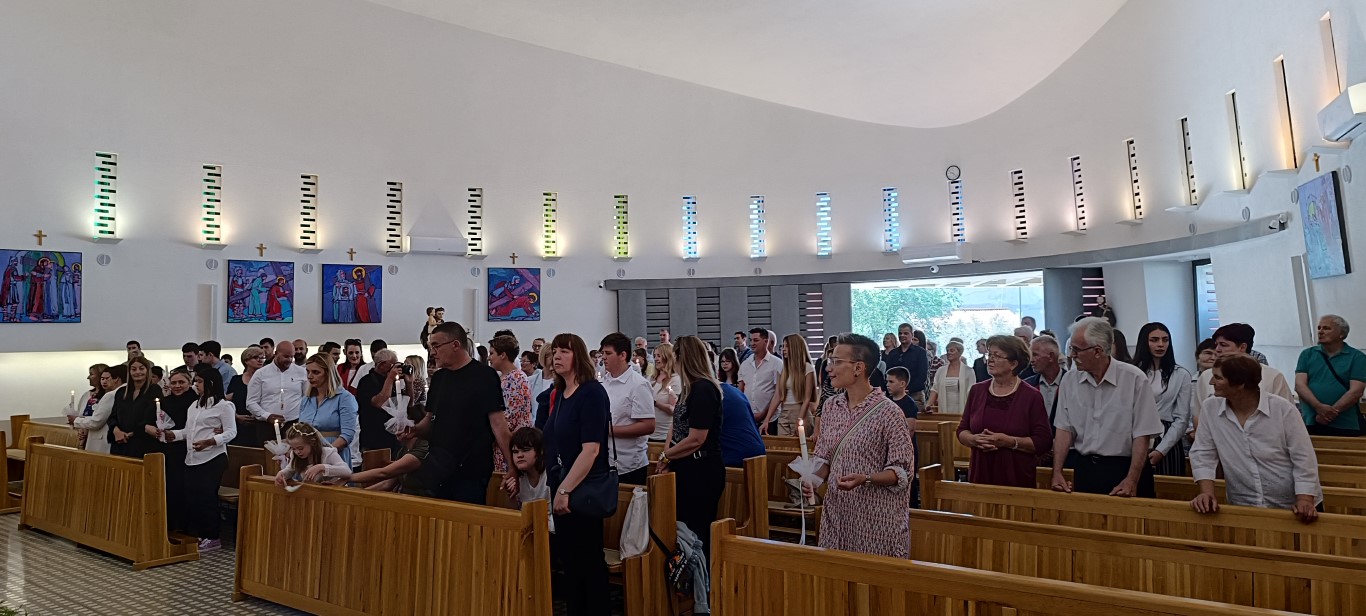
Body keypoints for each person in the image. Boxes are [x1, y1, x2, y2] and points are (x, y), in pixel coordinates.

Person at [800, 333, 913, 558]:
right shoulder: (831, 406)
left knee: (870, 576)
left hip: (874, 518)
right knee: (836, 574)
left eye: (836, 362)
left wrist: (866, 478)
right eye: (830, 361)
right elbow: (825, 458)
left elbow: (902, 472)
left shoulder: (888, 412)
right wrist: (813, 479)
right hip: (838, 514)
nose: (829, 368)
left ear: (858, 368)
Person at [1190, 355, 1321, 522]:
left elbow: (1303, 457)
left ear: (1240, 384)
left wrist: (1305, 499)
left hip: (1292, 506)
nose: (1211, 382)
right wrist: (1206, 493)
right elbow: (1203, 453)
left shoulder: (1282, 409)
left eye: (1218, 377)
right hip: (1243, 503)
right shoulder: (1210, 408)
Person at [1051, 317, 1163, 497]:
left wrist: (1132, 480)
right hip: (1086, 468)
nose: (1071, 355)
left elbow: (1142, 435)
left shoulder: (1134, 379)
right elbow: (1064, 430)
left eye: (1077, 350)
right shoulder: (1069, 380)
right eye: (1071, 348)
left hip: (1126, 467)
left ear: (1098, 351)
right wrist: (1057, 472)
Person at [542, 333, 611, 616]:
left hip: (582, 489)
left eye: (565, 351)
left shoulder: (591, 393)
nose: (557, 356)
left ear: (578, 356)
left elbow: (591, 450)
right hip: (562, 484)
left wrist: (564, 490)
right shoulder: (561, 393)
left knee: (588, 562)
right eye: (555, 351)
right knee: (570, 562)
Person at [417, 321, 517, 504]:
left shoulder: (484, 376)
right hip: (439, 467)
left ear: (455, 345)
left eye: (436, 346)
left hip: (471, 469)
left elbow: (498, 425)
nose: (432, 352)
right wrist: (412, 429)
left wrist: (512, 465)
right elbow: (429, 420)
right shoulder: (439, 378)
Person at [655, 335, 726, 561]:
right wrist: (667, 457)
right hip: (686, 467)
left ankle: (703, 576)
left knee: (697, 530)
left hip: (702, 470)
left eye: (675, 356)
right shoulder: (689, 388)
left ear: (683, 358)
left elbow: (697, 438)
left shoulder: (704, 389)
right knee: (684, 528)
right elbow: (675, 427)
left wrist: (666, 455)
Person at [955, 335, 1051, 488]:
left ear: (1013, 364)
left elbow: (1043, 442)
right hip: (980, 473)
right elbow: (962, 429)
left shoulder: (1031, 396)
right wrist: (973, 439)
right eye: (990, 354)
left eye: (997, 356)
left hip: (1016, 476)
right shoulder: (977, 390)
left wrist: (1010, 442)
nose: (990, 360)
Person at [159, 365, 236, 552]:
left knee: (207, 497)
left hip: (213, 457)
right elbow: (190, 431)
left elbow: (231, 432)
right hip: (193, 457)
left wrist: (210, 441)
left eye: (199, 381)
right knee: (193, 497)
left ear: (210, 383)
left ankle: (213, 536)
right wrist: (174, 435)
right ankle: (201, 533)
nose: (196, 385)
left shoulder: (224, 406)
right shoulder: (194, 405)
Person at [1133, 322, 1193, 476]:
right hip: (1135, 434)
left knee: (1168, 483)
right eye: (1154, 340)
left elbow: (1182, 418)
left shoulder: (1180, 374)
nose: (1160, 345)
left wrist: (1161, 450)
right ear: (1144, 342)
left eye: (1165, 340)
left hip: (1167, 436)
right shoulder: (1132, 372)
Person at [1295, 314, 1366, 436]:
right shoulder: (1307, 354)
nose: (1320, 331)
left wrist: (1331, 412)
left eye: (1326, 328)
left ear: (1341, 334)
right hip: (1311, 420)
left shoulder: (1357, 357)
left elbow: (1356, 391)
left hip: (1346, 423)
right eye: (1319, 328)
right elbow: (1300, 385)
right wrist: (1318, 407)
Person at [598, 333, 656, 485]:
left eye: (608, 353)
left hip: (628, 465)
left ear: (623, 355)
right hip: (603, 461)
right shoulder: (603, 382)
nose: (603, 357)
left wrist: (609, 430)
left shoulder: (638, 385)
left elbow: (648, 425)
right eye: (602, 353)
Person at [351, 408, 443, 497]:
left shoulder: (422, 449)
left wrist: (350, 477)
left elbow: (384, 473)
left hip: (422, 502)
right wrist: (357, 495)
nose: (396, 428)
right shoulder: (403, 450)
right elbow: (387, 484)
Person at [1194, 323, 1293, 406]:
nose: (1217, 350)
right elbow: (1198, 415)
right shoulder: (1206, 376)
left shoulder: (1272, 376)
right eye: (1216, 345)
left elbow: (1287, 413)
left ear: (1242, 347)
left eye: (1223, 345)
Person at [297, 354, 360, 467]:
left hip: (333, 455)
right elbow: (300, 430)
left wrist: (324, 454)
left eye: (316, 372)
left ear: (328, 373)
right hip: (307, 456)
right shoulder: (306, 399)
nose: (310, 376)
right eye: (308, 372)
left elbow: (347, 435)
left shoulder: (344, 398)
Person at [154, 368, 196, 532]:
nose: (177, 386)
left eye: (181, 382)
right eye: (173, 383)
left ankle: (185, 525)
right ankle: (170, 523)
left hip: (187, 449)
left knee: (183, 487)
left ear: (189, 383)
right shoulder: (166, 401)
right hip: (168, 449)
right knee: (169, 486)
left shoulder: (195, 402)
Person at [490, 335, 535, 472]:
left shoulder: (516, 378)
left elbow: (512, 416)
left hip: (511, 442)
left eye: (492, 353)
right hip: (500, 441)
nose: (489, 358)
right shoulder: (502, 377)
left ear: (503, 355)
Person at [356, 349, 410, 456]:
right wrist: (390, 378)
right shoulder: (366, 381)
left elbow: (409, 403)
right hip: (374, 439)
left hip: (395, 439)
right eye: (393, 365)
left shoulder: (395, 381)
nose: (396, 368)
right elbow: (380, 403)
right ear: (381, 365)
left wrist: (409, 382)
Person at [246, 339, 308, 432]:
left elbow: (306, 398)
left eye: (292, 356)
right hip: (266, 425)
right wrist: (267, 416)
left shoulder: (302, 372)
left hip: (294, 424)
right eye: (286, 356)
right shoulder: (261, 374)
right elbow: (251, 402)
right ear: (276, 353)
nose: (289, 360)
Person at [762, 334, 816, 436]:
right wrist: (767, 420)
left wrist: (799, 419)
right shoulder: (783, 369)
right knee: (783, 444)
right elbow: (778, 395)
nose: (783, 349)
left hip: (800, 411)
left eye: (787, 346)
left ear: (795, 348)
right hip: (784, 412)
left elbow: (807, 399)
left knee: (800, 445)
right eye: (783, 346)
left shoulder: (807, 368)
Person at [109, 356, 163, 458]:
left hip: (142, 443)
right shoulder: (121, 392)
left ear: (147, 371)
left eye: (141, 368)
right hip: (120, 442)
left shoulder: (154, 390)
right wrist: (116, 431)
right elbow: (113, 416)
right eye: (133, 369)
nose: (137, 372)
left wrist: (133, 432)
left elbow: (150, 417)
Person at [274, 422, 353, 486]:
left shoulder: (327, 453)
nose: (297, 452)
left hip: (334, 491)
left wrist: (322, 467)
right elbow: (290, 470)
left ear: (312, 442)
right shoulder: (294, 455)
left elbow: (347, 471)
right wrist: (282, 474)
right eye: (293, 448)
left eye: (300, 448)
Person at [738, 328, 782, 432]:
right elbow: (740, 392)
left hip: (770, 419)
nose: (752, 343)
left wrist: (764, 416)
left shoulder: (777, 363)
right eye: (751, 340)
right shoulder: (745, 364)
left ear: (766, 341)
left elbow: (778, 393)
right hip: (748, 418)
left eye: (756, 340)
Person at [507, 427, 551, 526]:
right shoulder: (517, 478)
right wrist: (511, 495)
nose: (519, 455)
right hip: (525, 529)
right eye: (515, 452)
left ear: (540, 451)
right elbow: (513, 516)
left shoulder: (550, 475)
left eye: (525, 450)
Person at [73, 364, 120, 453]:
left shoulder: (110, 395)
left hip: (102, 439)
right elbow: (81, 415)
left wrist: (75, 420)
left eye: (91, 374)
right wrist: (81, 430)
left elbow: (97, 420)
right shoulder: (87, 395)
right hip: (87, 436)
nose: (88, 377)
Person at [718, 383, 766, 468]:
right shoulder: (735, 391)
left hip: (738, 457)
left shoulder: (712, 394)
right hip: (757, 453)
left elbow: (698, 438)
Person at [226, 346, 266, 445]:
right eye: (256, 357)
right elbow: (227, 402)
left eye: (262, 357)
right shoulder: (236, 380)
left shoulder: (266, 380)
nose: (260, 360)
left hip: (260, 424)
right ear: (246, 361)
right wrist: (236, 416)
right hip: (239, 426)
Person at [884, 323, 929, 411]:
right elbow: (888, 373)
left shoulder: (920, 352)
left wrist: (907, 389)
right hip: (895, 394)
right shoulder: (893, 353)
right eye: (900, 333)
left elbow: (922, 375)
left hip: (915, 395)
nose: (902, 335)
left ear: (912, 335)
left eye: (906, 333)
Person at [926, 339, 971, 415]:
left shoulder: (969, 371)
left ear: (960, 352)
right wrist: (928, 404)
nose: (949, 353)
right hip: (944, 407)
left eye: (952, 350)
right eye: (947, 351)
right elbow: (935, 389)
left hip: (962, 408)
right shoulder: (941, 370)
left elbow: (971, 391)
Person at [649, 342, 681, 441]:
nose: (656, 359)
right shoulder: (651, 378)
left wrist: (654, 403)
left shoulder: (675, 380)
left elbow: (673, 410)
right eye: (655, 356)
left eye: (659, 356)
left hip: (664, 435)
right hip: (649, 433)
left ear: (668, 357)